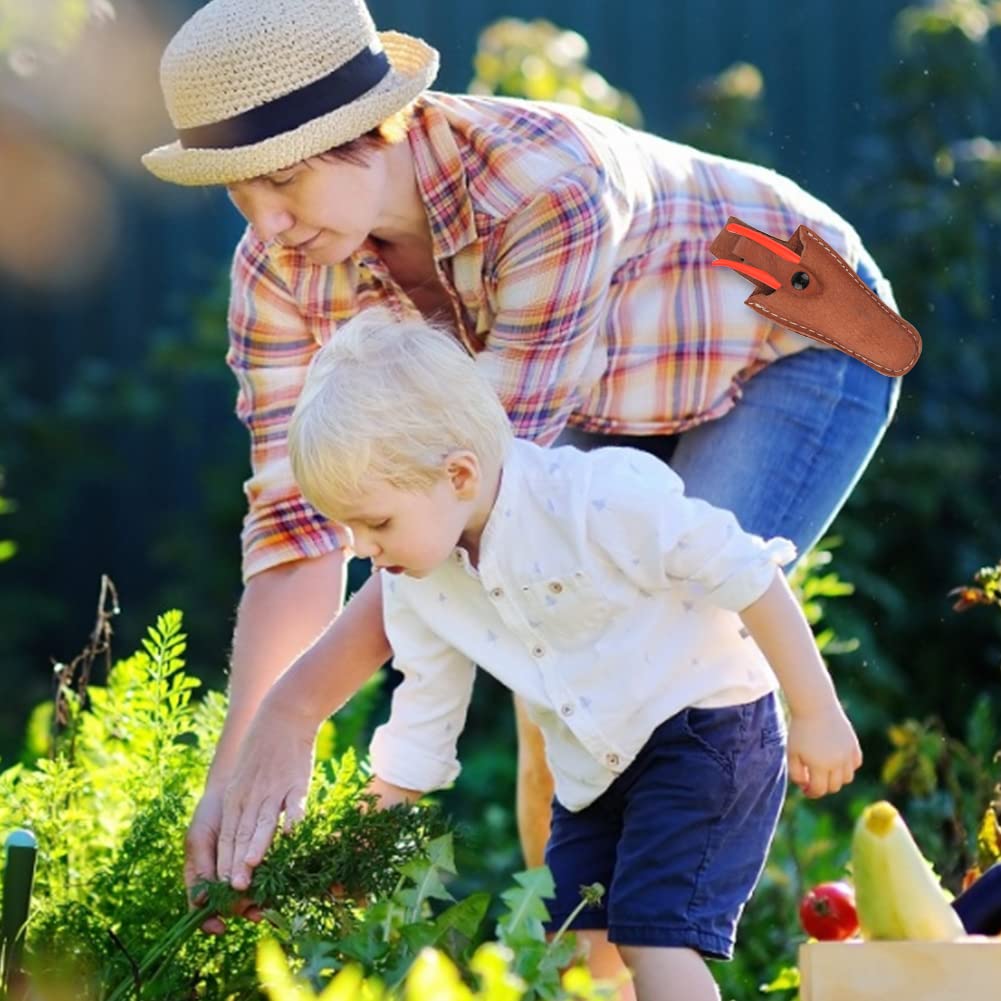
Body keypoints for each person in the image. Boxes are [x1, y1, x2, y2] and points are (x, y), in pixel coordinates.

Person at [141, 0, 902, 947]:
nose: (267, 226)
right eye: (239, 194)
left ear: (370, 129)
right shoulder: (278, 269)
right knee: (550, 676)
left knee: (642, 646)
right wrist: (242, 764)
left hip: (792, 340)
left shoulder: (546, 189)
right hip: (609, 392)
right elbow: (297, 527)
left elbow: (482, 496)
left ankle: (660, 949)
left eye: (284, 183)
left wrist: (301, 706)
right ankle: (576, 965)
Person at [238, 310, 861, 1001]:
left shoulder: (598, 498)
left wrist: (815, 709)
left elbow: (746, 571)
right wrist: (349, 853)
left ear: (459, 474)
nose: (361, 546)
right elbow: (419, 730)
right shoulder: (416, 588)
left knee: (654, 941)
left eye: (376, 521)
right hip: (594, 773)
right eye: (348, 527)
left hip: (704, 730)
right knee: (567, 945)